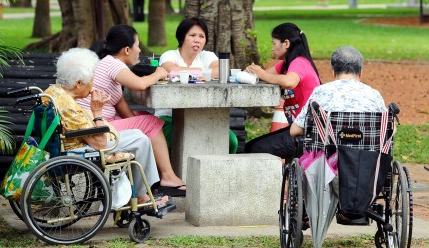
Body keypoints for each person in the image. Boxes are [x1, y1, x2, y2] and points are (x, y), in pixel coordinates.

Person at [44, 48, 169, 206]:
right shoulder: (70, 108)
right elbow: (100, 144)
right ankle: (139, 197)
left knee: (136, 133)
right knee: (141, 139)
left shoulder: (54, 91)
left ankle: (136, 195)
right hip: (80, 150)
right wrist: (97, 111)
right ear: (78, 83)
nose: (93, 84)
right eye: (91, 79)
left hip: (72, 143)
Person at [78, 25, 186, 197]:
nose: (140, 49)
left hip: (100, 123)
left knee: (145, 118)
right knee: (151, 122)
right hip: (96, 128)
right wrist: (159, 72)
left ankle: (157, 176)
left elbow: (125, 110)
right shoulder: (112, 64)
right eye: (137, 45)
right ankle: (167, 177)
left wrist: (142, 123)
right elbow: (140, 84)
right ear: (127, 49)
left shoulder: (108, 64)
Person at [158, 17, 238, 154]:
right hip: (169, 117)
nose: (197, 40)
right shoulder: (169, 55)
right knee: (178, 142)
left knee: (231, 140)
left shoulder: (207, 56)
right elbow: (170, 70)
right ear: (182, 37)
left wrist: (186, 73)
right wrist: (204, 73)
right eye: (192, 35)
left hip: (203, 117)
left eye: (202, 36)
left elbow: (220, 71)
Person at [244, 22, 321, 158]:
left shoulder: (299, 62)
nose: (272, 48)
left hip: (309, 134)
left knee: (257, 148)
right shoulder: (285, 65)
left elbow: (289, 82)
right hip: (298, 128)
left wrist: (261, 73)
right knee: (251, 146)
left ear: (286, 43)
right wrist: (252, 72)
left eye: (274, 43)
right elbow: (264, 76)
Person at [290, 46, 386, 137]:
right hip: (366, 154)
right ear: (360, 73)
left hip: (327, 153)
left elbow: (295, 130)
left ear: (334, 72)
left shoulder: (320, 92)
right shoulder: (374, 95)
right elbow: (390, 129)